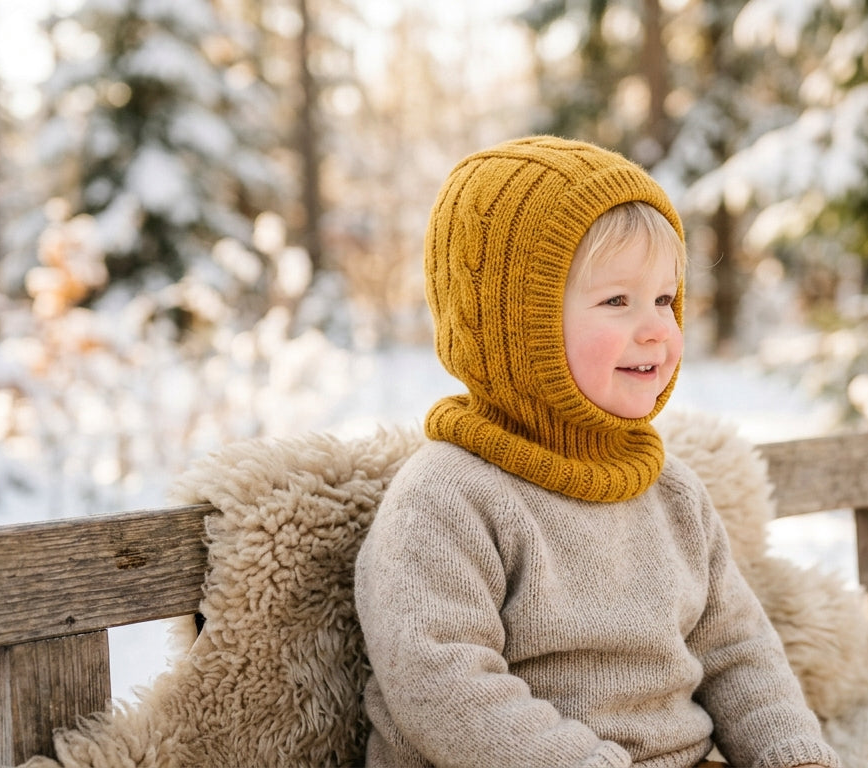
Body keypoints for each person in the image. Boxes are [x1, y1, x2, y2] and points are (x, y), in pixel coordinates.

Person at [354, 135, 842, 768]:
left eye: (665, 300)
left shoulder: (672, 492)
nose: (656, 329)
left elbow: (739, 654)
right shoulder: (448, 497)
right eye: (618, 301)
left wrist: (794, 755)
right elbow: (441, 686)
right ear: (514, 327)